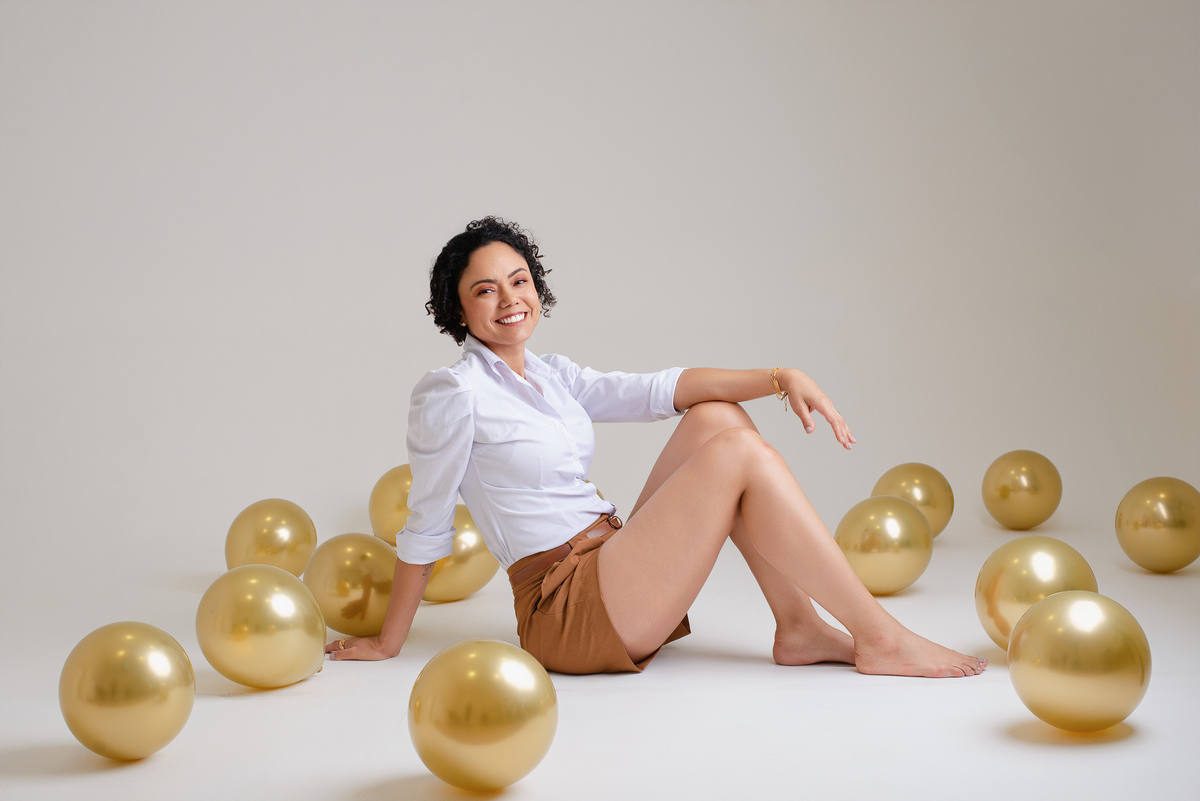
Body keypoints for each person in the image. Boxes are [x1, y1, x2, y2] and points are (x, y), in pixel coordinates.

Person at [327, 216, 986, 678]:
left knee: (718, 417)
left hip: (610, 559)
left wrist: (780, 377)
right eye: (484, 289)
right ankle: (880, 636)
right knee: (738, 456)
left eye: (519, 280)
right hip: (565, 608)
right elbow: (427, 520)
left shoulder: (552, 375)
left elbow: (659, 389)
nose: (509, 299)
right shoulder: (453, 392)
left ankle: (800, 627)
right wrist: (389, 642)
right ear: (458, 309)